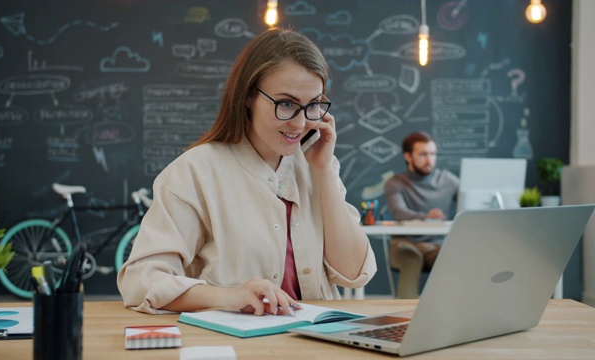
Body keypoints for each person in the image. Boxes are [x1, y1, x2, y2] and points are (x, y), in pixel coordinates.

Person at [117, 28, 377, 315]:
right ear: (247, 97)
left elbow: (354, 273)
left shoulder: (318, 164)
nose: (301, 123)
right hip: (234, 347)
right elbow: (140, 280)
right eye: (286, 103)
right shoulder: (195, 172)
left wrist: (324, 171)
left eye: (313, 105)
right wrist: (228, 296)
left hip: (318, 344)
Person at [383, 131, 459, 299]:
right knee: (411, 259)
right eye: (423, 154)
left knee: (453, 257)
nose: (429, 159)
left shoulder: (448, 180)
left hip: (436, 245)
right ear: (408, 156)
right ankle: (404, 318)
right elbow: (398, 212)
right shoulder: (395, 183)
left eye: (432, 154)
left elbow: (468, 202)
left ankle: (448, 312)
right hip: (404, 244)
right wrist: (426, 216)